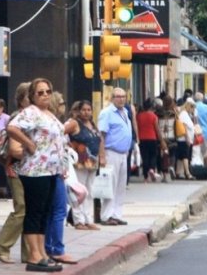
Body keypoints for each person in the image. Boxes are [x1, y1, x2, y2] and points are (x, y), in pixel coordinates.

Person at [6, 78, 65, 273]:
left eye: (48, 91)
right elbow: (12, 128)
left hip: (51, 170)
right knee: (35, 211)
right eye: (40, 92)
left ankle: (42, 253)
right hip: (35, 170)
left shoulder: (49, 114)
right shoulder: (30, 113)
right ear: (32, 96)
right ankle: (33, 255)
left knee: (45, 212)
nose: (45, 95)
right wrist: (29, 144)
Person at [0, 82, 31, 265]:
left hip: (29, 170)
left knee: (29, 210)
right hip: (16, 168)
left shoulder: (31, 117)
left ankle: (29, 253)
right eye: (31, 95)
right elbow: (15, 150)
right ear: (22, 100)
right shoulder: (18, 118)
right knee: (22, 209)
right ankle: (1, 247)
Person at [42, 91, 76, 265]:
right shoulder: (53, 123)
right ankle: (56, 248)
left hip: (56, 169)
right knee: (59, 209)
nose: (64, 105)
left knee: (53, 210)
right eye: (61, 102)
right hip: (52, 170)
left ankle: (50, 246)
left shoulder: (54, 121)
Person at [97, 88, 132, 226]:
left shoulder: (125, 112)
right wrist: (102, 155)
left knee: (120, 186)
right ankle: (106, 215)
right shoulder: (107, 113)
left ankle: (117, 214)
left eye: (123, 96)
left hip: (124, 153)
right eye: (118, 97)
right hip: (111, 152)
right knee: (110, 185)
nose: (121, 99)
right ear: (112, 98)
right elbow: (101, 135)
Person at [65, 100, 103, 230]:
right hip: (80, 162)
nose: (86, 112)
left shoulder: (92, 124)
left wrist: (102, 156)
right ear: (79, 111)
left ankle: (88, 219)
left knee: (90, 191)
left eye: (89, 110)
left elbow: (100, 140)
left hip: (92, 162)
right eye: (84, 110)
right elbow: (61, 132)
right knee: (79, 191)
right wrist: (69, 147)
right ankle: (78, 220)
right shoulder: (75, 123)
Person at [136, 98, 165, 182]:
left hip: (142, 138)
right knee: (153, 155)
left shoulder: (139, 116)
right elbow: (157, 129)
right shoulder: (153, 116)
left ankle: (145, 177)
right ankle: (152, 169)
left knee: (145, 157)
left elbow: (137, 127)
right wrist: (161, 140)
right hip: (152, 138)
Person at [158, 95, 179, 180]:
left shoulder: (158, 113)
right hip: (171, 135)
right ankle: (171, 166)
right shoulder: (173, 113)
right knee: (172, 153)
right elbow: (177, 124)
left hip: (161, 137)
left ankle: (163, 172)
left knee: (162, 155)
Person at [175, 98, 196, 180]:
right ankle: (187, 173)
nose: (193, 109)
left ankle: (177, 172)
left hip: (184, 139)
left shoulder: (186, 114)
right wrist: (187, 138)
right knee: (185, 156)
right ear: (188, 106)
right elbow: (184, 126)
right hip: (184, 139)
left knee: (181, 157)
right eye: (192, 107)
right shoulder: (183, 114)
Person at [0, 98, 11, 197]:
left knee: (7, 169)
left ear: (2, 108)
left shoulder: (6, 118)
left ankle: (9, 191)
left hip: (4, 147)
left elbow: (9, 132)